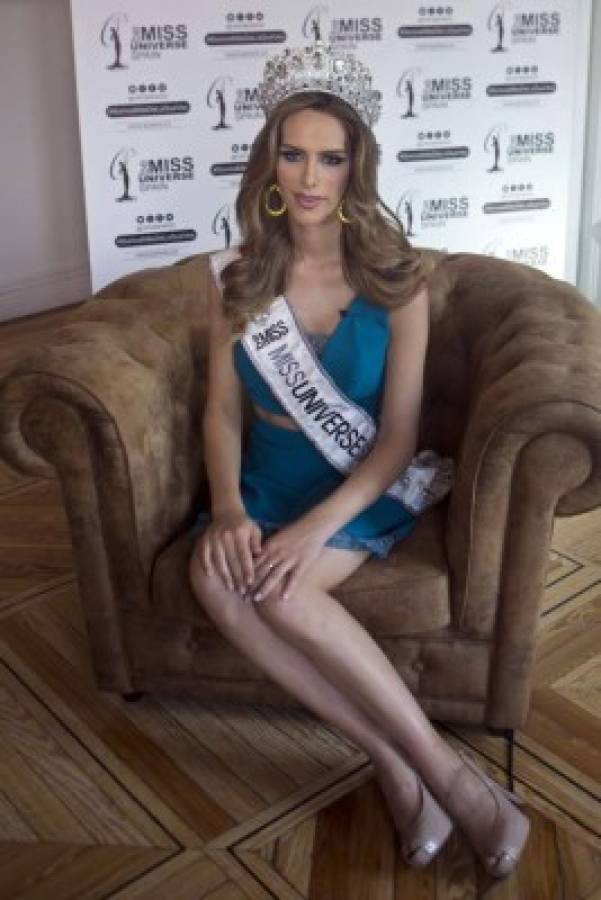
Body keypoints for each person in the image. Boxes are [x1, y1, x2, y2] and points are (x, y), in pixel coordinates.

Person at [188, 41, 530, 876]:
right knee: (215, 580)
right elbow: (222, 411)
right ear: (270, 160)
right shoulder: (237, 278)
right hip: (264, 484)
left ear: (355, 169)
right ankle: (391, 760)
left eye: (330, 159)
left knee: (288, 587)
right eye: (293, 153)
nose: (310, 177)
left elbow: (396, 440)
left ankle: (454, 780)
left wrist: (313, 533)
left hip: (353, 487)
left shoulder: (395, 280)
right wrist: (230, 509)